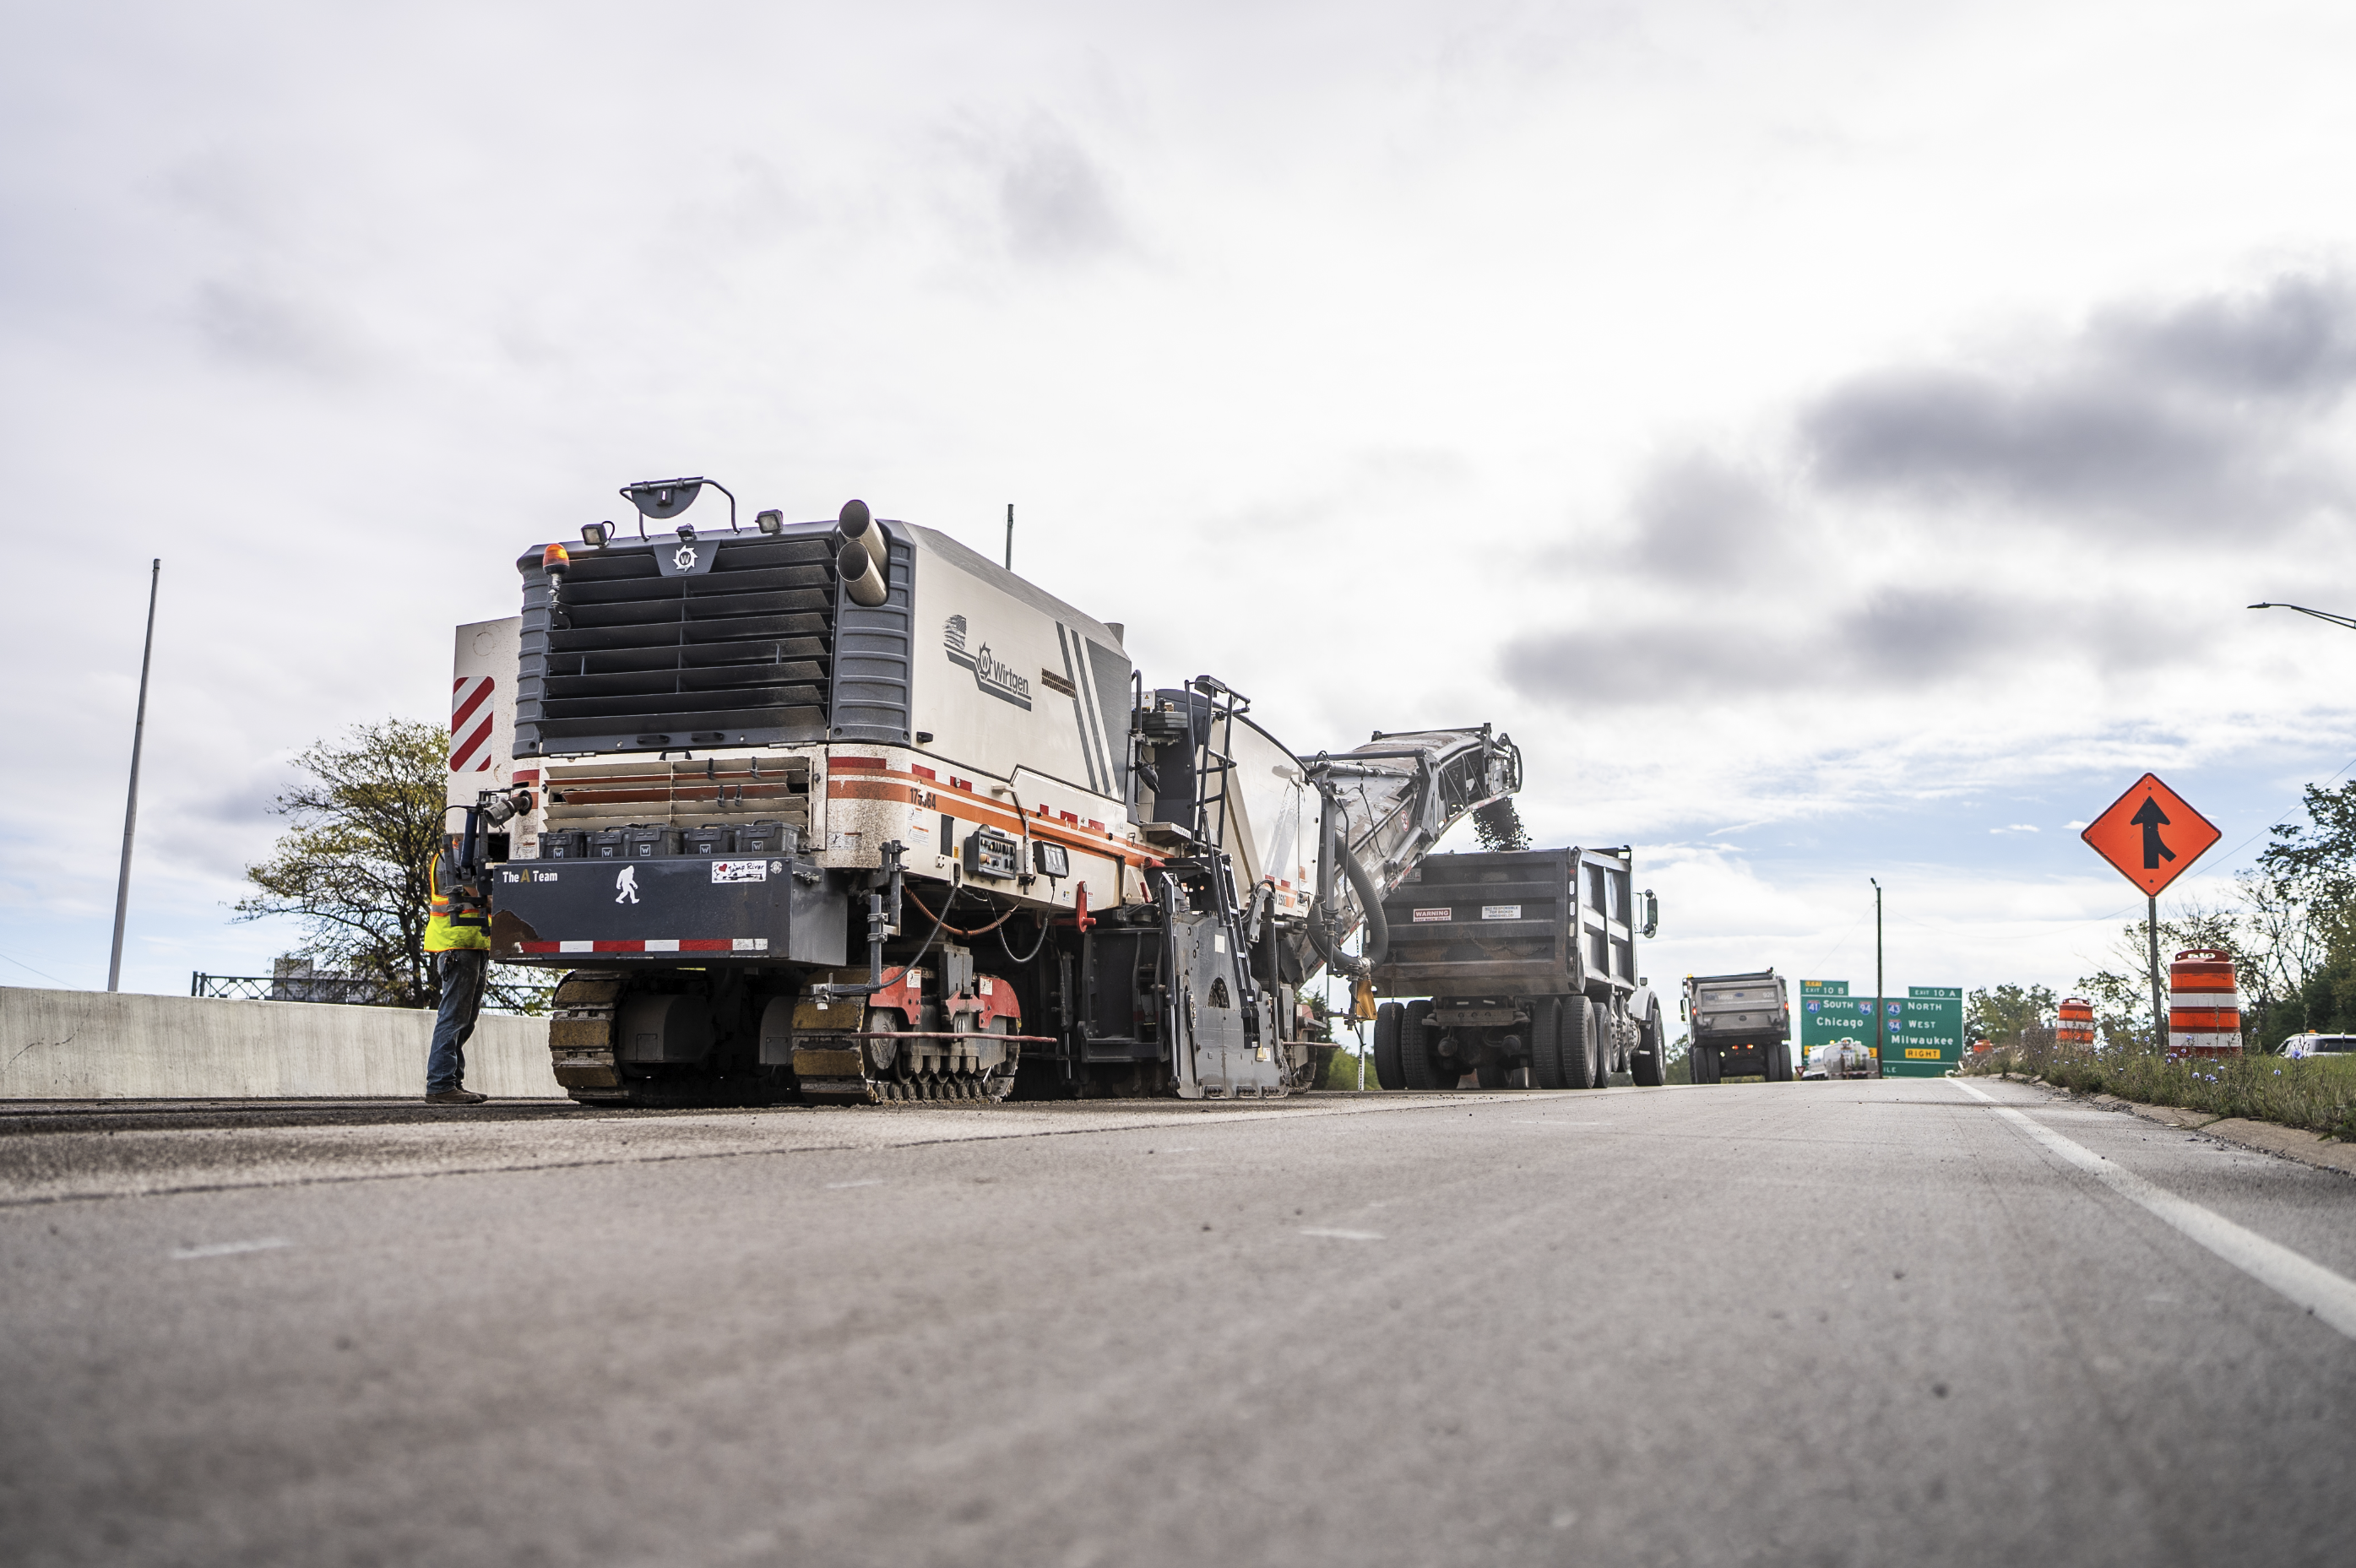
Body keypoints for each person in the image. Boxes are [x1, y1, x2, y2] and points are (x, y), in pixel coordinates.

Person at [423, 830, 492, 1105]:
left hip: (472, 943)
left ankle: (452, 1082)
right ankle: (440, 1085)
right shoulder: (453, 856)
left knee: (465, 1021)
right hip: (457, 943)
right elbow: (479, 895)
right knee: (453, 1018)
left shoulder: (460, 854)